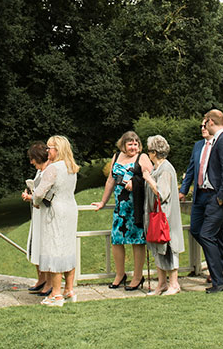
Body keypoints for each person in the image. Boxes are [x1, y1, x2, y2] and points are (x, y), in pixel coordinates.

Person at [90, 131, 152, 290]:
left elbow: (151, 177)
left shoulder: (142, 158)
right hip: (120, 207)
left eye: (136, 143)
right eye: (130, 144)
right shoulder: (116, 157)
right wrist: (103, 201)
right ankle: (120, 274)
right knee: (117, 240)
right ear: (123, 145)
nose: (134, 147)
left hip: (136, 207)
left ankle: (138, 277)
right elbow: (110, 180)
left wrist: (135, 181)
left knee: (137, 241)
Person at [195, 109, 223, 293]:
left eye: (205, 122)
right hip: (211, 195)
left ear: (211, 122)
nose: (203, 126)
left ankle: (219, 281)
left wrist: (220, 197)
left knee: (206, 234)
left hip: (217, 197)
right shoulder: (220, 140)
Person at [33, 135, 79, 306]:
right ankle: (69, 289)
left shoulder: (53, 169)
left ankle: (56, 294)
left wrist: (35, 202)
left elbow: (38, 193)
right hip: (70, 209)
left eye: (49, 147)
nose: (47, 151)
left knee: (55, 249)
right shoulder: (71, 167)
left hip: (55, 211)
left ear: (56, 150)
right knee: (68, 248)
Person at [142, 134, 184, 295]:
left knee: (169, 248)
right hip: (157, 216)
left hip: (166, 217)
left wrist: (148, 179)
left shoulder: (165, 169)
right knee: (158, 248)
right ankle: (161, 284)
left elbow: (162, 193)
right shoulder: (157, 168)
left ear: (153, 152)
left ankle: (173, 284)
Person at [22, 141, 51, 294]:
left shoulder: (49, 171)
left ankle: (48, 281)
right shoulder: (39, 171)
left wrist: (31, 197)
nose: (31, 162)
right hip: (37, 211)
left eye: (33, 158)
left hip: (45, 212)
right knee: (35, 245)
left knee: (43, 245)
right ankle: (41, 278)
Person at [179, 119, 210, 202]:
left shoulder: (218, 145)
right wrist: (183, 191)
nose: (202, 129)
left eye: (205, 126)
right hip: (198, 194)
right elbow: (191, 170)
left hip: (212, 195)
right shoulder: (198, 145)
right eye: (201, 126)